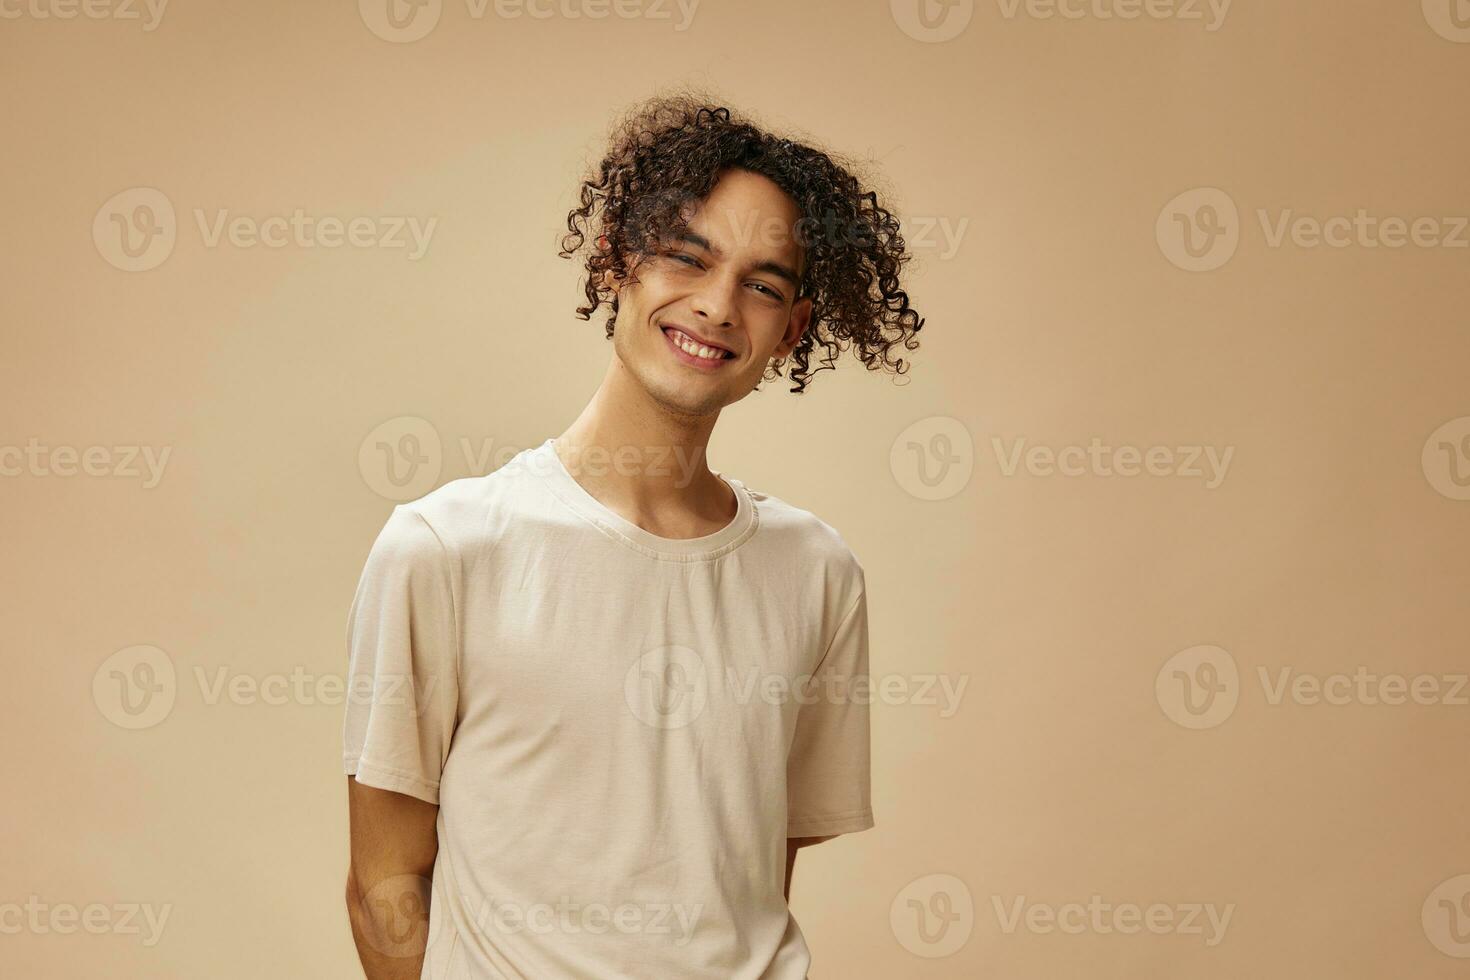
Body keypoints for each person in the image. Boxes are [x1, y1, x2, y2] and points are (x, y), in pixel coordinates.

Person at [342, 90, 925, 980]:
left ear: (793, 329)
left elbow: (755, 873)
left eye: (762, 286)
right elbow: (383, 882)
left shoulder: (816, 573)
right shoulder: (444, 548)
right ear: (618, 258)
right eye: (686, 259)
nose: (718, 306)